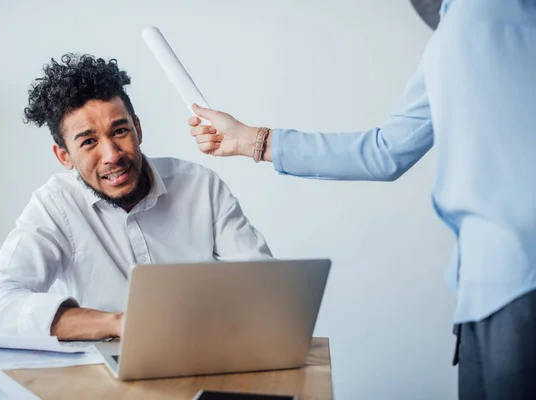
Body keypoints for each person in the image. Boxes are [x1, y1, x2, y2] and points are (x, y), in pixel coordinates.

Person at [188, 0, 536, 398]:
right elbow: (386, 150)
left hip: (518, 287)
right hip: (480, 292)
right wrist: (251, 140)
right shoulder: (453, 31)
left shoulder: (487, 13)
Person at [0, 53, 272, 340]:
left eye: (119, 131)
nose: (112, 155)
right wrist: (117, 323)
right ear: (65, 157)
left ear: (137, 129)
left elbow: (265, 287)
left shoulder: (200, 186)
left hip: (207, 349)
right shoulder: (54, 206)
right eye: (88, 142)